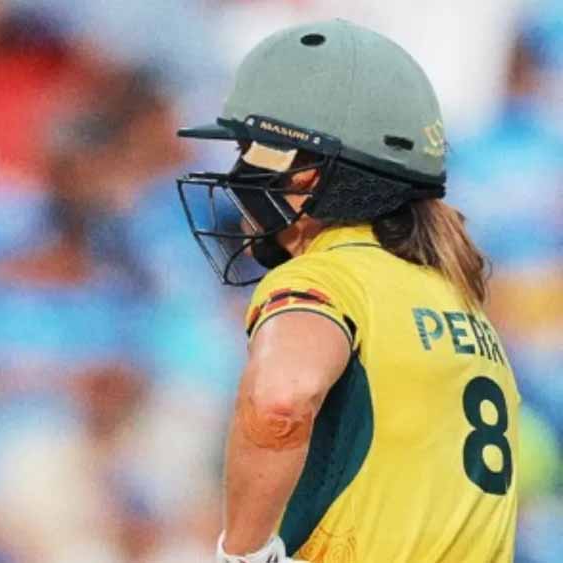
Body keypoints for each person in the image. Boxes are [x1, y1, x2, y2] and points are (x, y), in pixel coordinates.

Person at [175, 20, 519, 563]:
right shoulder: (457, 300)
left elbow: (280, 401)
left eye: (248, 149)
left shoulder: (325, 277)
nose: (237, 172)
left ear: (306, 174)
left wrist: (242, 554)